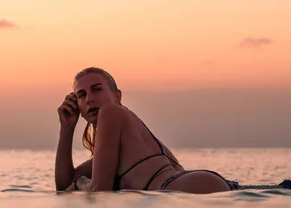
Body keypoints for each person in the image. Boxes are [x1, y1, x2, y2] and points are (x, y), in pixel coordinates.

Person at [54, 67, 239, 194]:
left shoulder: (110, 112)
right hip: (196, 186)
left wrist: (81, 183)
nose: (89, 99)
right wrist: (67, 128)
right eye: (82, 95)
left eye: (96, 90)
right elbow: (63, 185)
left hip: (186, 188)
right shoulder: (117, 148)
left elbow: (99, 190)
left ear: (117, 96)